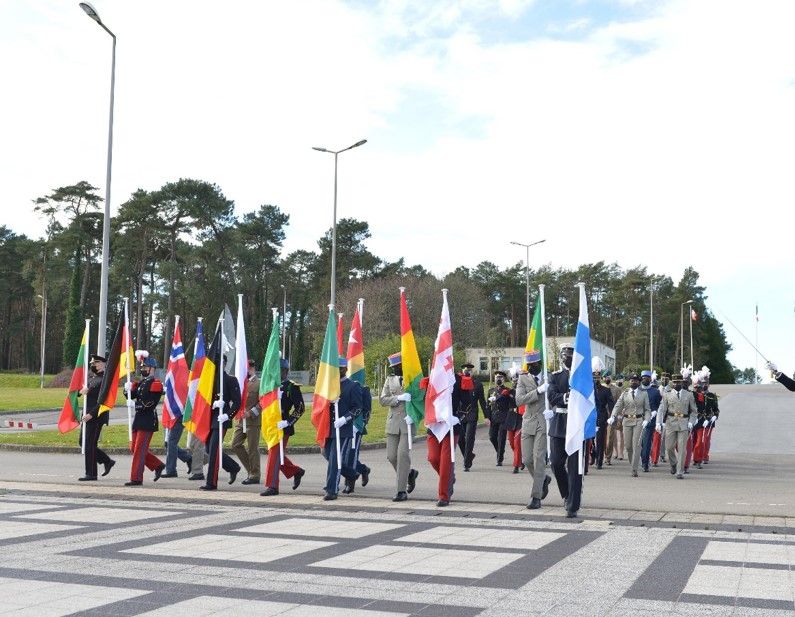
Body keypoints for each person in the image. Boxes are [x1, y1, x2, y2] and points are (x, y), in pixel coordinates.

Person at [260, 359, 306, 496]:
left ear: (285, 371)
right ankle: (296, 471)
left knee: (274, 455)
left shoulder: (292, 387)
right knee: (275, 454)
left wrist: (288, 421)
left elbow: (300, 408)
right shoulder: (271, 387)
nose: (277, 373)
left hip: (283, 426)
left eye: (279, 371)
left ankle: (272, 486)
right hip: (271, 425)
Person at [547, 344, 582, 518]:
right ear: (560, 357)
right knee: (555, 462)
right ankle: (567, 493)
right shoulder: (555, 376)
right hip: (560, 423)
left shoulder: (582, 376)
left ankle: (573, 504)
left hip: (575, 424)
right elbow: (552, 396)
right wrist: (566, 397)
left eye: (570, 354)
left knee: (575, 467)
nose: (567, 357)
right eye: (564, 354)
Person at [379, 353, 419, 502]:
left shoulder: (414, 379)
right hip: (393, 422)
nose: (395, 369)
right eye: (393, 367)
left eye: (397, 366)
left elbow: (420, 399)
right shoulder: (390, 380)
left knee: (402, 456)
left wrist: (414, 415)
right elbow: (382, 400)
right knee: (391, 456)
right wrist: (398, 398)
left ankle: (401, 491)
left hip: (408, 422)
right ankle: (409, 474)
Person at [515, 351, 551, 510]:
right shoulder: (523, 378)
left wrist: (554, 411)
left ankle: (536, 497)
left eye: (534, 365)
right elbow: (519, 400)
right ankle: (543, 479)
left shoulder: (549, 377)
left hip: (543, 422)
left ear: (540, 364)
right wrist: (538, 391)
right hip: (528, 422)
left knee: (538, 458)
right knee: (527, 459)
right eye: (528, 366)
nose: (530, 368)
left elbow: (555, 397)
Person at [321, 358, 362, 501]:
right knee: (326, 454)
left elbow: (357, 408)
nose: (338, 371)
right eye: (336, 369)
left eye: (340, 368)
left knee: (335, 459)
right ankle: (351, 474)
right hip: (329, 427)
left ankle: (331, 489)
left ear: (346, 369)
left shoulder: (352, 386)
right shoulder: (330, 386)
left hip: (343, 428)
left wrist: (345, 419)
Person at [123, 353, 166, 486]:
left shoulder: (156, 384)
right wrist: (127, 390)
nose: (143, 369)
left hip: (148, 420)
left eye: (145, 367)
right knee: (133, 448)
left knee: (139, 450)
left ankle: (136, 478)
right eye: (142, 367)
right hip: (139, 419)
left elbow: (150, 404)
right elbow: (132, 395)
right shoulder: (142, 382)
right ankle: (157, 465)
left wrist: (135, 404)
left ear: (152, 368)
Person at [200, 363, 242, 490]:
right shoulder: (210, 380)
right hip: (210, 418)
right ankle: (233, 467)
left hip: (221, 419)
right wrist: (213, 404)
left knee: (213, 449)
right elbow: (204, 398)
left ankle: (211, 482)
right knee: (209, 449)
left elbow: (237, 402)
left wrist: (228, 415)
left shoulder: (230, 379)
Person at [77, 355, 115, 481]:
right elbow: (81, 392)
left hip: (96, 416)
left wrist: (91, 414)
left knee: (89, 444)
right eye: (93, 363)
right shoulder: (92, 378)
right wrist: (80, 391)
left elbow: (102, 402)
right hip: (87, 415)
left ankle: (91, 474)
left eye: (97, 363)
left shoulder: (104, 380)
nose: (94, 365)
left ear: (104, 364)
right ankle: (107, 461)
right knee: (83, 443)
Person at [608, 373, 651, 477]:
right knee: (628, 446)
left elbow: (647, 409)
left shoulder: (643, 394)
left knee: (636, 445)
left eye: (636, 380)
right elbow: (618, 405)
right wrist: (613, 416)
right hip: (627, 420)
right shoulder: (625, 393)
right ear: (629, 381)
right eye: (632, 380)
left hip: (638, 420)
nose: (633, 382)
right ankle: (633, 464)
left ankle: (634, 469)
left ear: (639, 382)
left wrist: (647, 419)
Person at [656, 373, 697, 479]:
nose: (676, 384)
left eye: (678, 382)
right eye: (674, 382)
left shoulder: (688, 395)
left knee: (682, 448)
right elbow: (662, 409)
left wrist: (691, 421)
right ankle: (673, 464)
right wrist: (658, 422)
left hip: (684, 423)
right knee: (669, 447)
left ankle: (680, 471)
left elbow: (694, 411)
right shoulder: (667, 394)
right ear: (672, 383)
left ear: (682, 383)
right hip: (671, 422)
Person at [232, 359, 262, 485]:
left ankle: (255, 475)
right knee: (235, 444)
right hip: (240, 420)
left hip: (252, 420)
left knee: (252, 448)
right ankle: (251, 470)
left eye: (247, 369)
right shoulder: (241, 383)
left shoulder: (259, 383)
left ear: (252, 368)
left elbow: (262, 402)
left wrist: (251, 412)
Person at [453, 362, 487, 471]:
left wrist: (486, 416)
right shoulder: (457, 383)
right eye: (465, 369)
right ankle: (468, 456)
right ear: (462, 370)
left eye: (470, 370)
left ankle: (466, 463)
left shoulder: (477, 384)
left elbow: (482, 401)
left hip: (472, 413)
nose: (467, 371)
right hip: (460, 414)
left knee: (469, 438)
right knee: (460, 439)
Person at [344, 381, 372, 495]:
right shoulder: (342, 386)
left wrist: (361, 424)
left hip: (356, 426)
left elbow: (366, 411)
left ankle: (349, 483)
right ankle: (363, 469)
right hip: (344, 425)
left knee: (351, 454)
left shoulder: (363, 389)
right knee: (342, 455)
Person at [591, 359, 614, 470]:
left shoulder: (606, 390)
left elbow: (611, 404)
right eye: (594, 378)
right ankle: (592, 457)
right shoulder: (589, 389)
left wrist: (612, 416)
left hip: (601, 416)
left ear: (600, 378)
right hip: (590, 416)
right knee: (590, 439)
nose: (596, 380)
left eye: (597, 378)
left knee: (600, 440)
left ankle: (599, 461)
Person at [486, 371, 511, 466]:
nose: (498, 379)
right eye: (497, 377)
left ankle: (499, 459)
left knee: (501, 438)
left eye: (500, 377)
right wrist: (487, 417)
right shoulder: (491, 391)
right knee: (492, 437)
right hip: (493, 417)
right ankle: (500, 451)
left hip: (504, 417)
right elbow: (487, 405)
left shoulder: (507, 390)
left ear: (503, 379)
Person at [639, 370, 662, 472]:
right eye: (643, 378)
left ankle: (645, 463)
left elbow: (660, 405)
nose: (645, 379)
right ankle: (643, 458)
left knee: (647, 442)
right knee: (640, 443)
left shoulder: (655, 391)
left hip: (651, 420)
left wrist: (655, 412)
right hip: (638, 420)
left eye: (647, 378)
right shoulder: (637, 390)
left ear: (650, 379)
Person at [603, 374, 622, 465]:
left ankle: (608, 457)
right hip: (601, 415)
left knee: (610, 438)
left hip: (611, 416)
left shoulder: (616, 389)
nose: (607, 378)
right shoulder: (599, 387)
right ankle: (600, 455)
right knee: (601, 438)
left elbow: (620, 404)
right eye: (605, 377)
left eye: (608, 377)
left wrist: (618, 417)